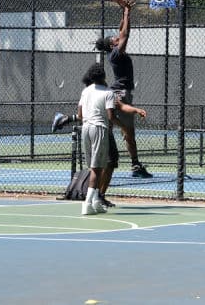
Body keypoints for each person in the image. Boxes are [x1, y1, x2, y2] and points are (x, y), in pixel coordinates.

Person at [52, 63, 146, 215]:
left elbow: (81, 115)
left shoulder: (86, 91)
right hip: (99, 129)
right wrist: (123, 126)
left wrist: (135, 110)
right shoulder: (107, 92)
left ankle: (96, 200)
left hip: (86, 129)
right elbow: (111, 116)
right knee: (98, 168)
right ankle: (88, 203)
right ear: (104, 76)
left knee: (95, 166)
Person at [93, 0, 154, 179]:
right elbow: (125, 34)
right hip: (120, 93)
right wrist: (126, 12)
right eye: (113, 38)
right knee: (128, 132)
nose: (116, 36)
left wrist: (125, 9)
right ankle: (133, 165)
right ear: (112, 45)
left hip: (117, 91)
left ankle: (110, 161)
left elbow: (122, 30)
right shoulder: (116, 55)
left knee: (113, 129)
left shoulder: (114, 52)